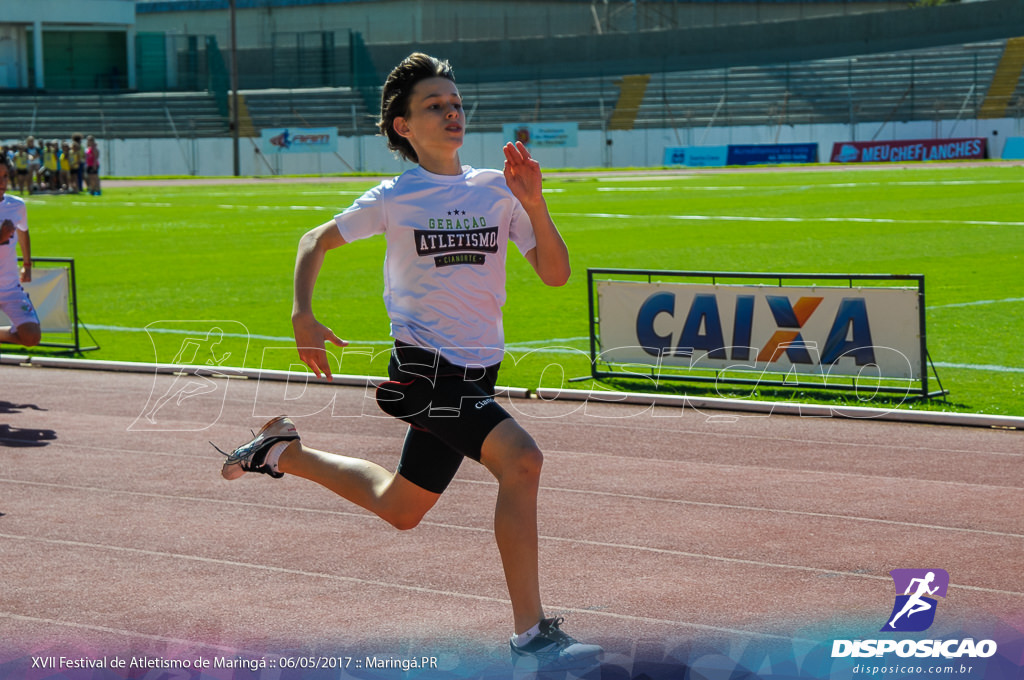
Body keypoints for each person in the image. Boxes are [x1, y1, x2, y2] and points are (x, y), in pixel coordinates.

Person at [215, 52, 603, 671]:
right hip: (425, 372)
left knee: (402, 508)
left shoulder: (497, 189)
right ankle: (533, 638)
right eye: (434, 107)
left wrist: (533, 203)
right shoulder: (395, 197)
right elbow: (313, 239)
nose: (452, 114)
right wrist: (302, 314)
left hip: (478, 373)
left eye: (455, 104)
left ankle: (279, 450)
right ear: (403, 126)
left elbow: (555, 276)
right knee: (521, 460)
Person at [0, 161, 41, 348]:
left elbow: (23, 231)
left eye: (5, 176)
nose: (2, 182)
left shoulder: (16, 205)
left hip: (11, 287)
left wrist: (27, 264)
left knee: (31, 337)